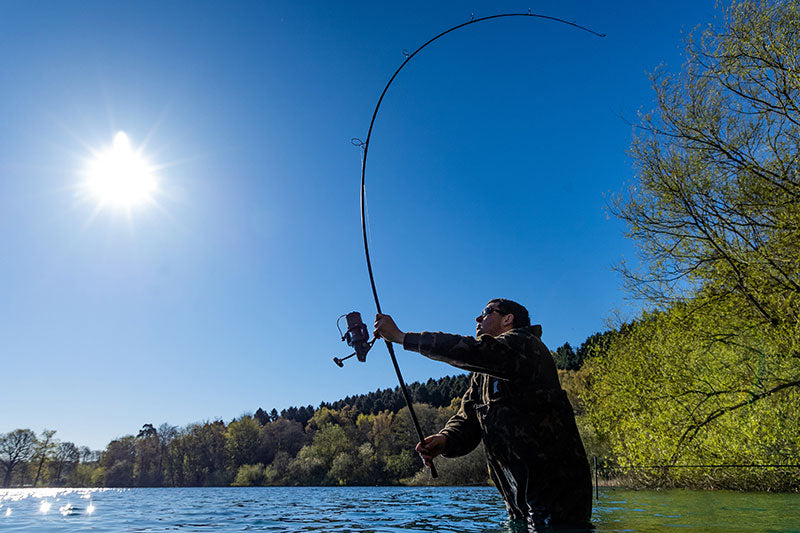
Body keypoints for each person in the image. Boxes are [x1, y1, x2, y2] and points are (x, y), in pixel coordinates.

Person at [373, 298, 593, 531]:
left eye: (487, 312)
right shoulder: (483, 376)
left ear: (508, 319)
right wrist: (445, 440)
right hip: (518, 504)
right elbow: (467, 419)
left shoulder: (525, 344)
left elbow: (472, 351)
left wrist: (402, 337)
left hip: (557, 501)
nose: (478, 318)